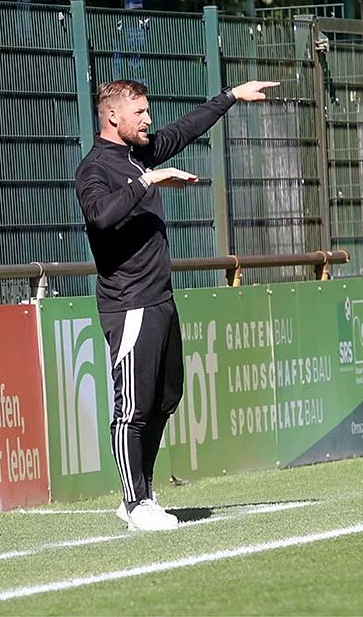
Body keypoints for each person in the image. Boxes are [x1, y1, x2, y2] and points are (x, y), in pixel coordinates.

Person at [75, 78, 278, 530]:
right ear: (112, 116)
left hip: (161, 299)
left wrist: (230, 97)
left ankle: (143, 492)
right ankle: (134, 502)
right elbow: (100, 216)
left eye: (148, 111)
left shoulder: (140, 153)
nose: (148, 120)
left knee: (166, 399)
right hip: (129, 304)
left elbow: (186, 129)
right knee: (132, 407)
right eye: (140, 112)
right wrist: (148, 180)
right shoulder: (94, 168)